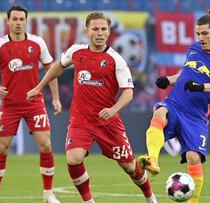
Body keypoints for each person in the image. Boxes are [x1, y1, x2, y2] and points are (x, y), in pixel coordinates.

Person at [27, 11, 157, 203]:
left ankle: (150, 197)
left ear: (109, 31)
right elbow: (58, 66)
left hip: (108, 123)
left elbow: (128, 93)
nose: (99, 33)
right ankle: (89, 201)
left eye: (103, 29)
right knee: (73, 159)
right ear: (86, 31)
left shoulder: (116, 60)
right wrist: (39, 86)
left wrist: (113, 110)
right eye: (95, 29)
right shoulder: (76, 52)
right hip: (81, 120)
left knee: (129, 166)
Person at [138, 10, 210, 203]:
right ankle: (152, 160)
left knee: (193, 158)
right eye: (198, 34)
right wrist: (168, 80)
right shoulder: (193, 48)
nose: (200, 38)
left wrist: (203, 87)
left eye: (205, 33)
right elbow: (186, 75)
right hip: (175, 104)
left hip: (196, 116)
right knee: (159, 113)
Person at [0, 5, 62, 203]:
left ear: (26, 21)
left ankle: (48, 194)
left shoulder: (37, 42)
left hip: (34, 104)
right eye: (14, 19)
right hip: (10, 106)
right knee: (2, 148)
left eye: (21, 19)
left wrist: (56, 98)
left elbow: (52, 71)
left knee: (45, 145)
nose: (18, 23)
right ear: (8, 21)